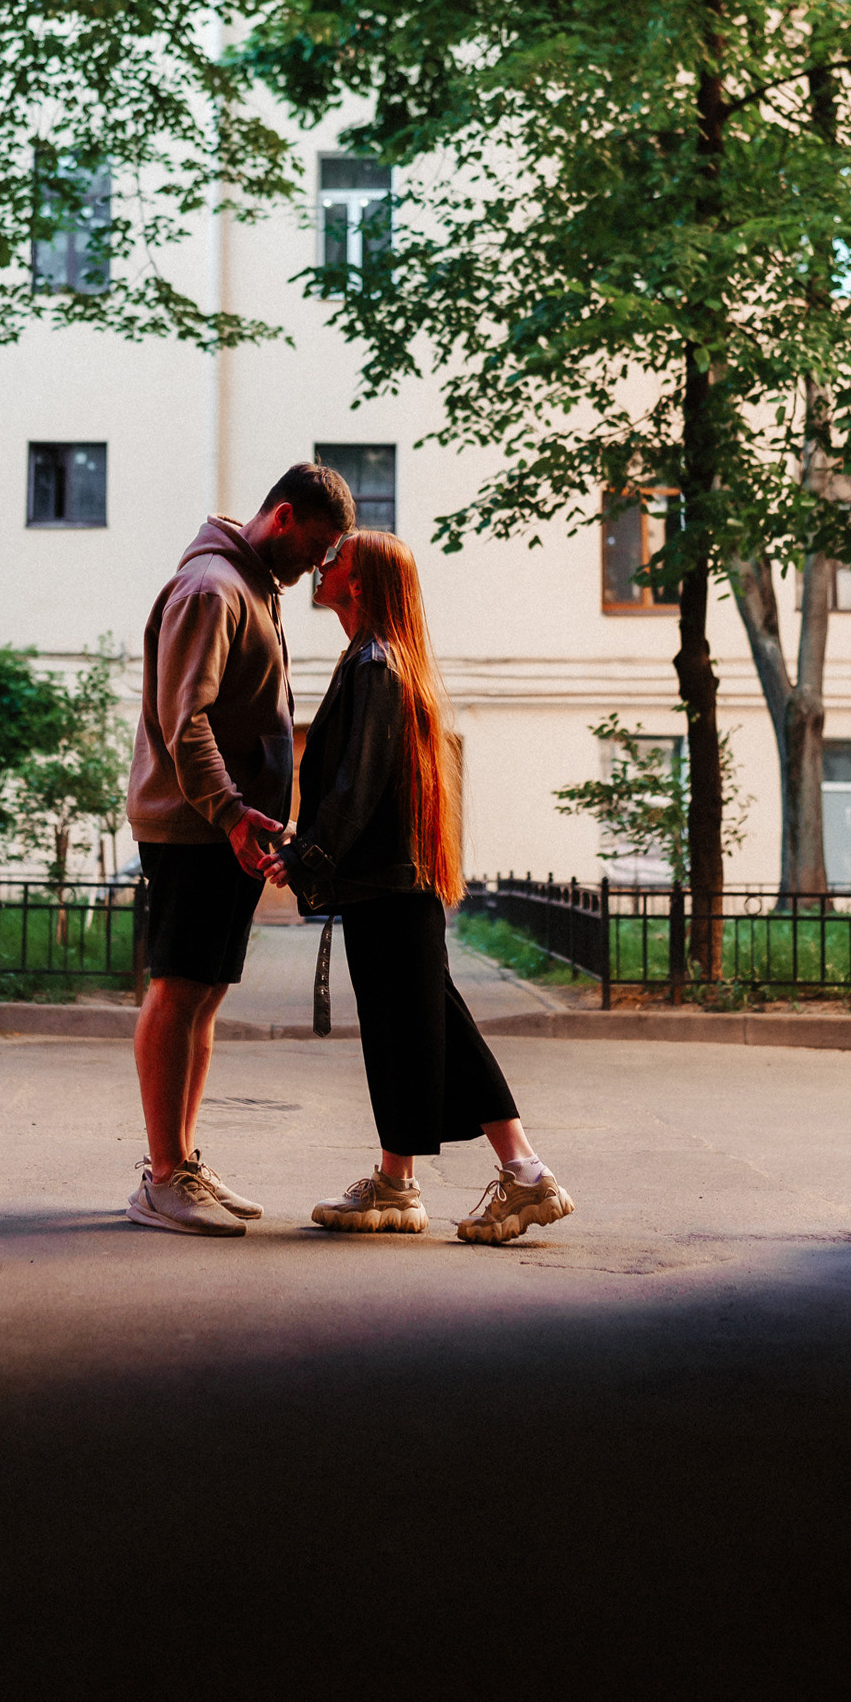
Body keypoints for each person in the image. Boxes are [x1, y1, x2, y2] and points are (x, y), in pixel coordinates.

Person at [291, 528, 575, 1244]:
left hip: (385, 883)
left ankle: (526, 1175)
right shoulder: (378, 660)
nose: (319, 566)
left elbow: (355, 787)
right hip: (386, 881)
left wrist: (306, 856)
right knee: (407, 1029)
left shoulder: (376, 665)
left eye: (334, 558)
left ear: (357, 582)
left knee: (433, 1025)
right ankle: (397, 1181)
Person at [123, 461, 357, 1235]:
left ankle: (181, 1160)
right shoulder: (213, 589)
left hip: (228, 826)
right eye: (318, 546)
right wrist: (227, 812)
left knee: (208, 991)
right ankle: (161, 1176)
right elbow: (182, 718)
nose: (320, 566)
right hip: (194, 824)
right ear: (282, 517)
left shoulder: (254, 586)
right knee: (179, 985)